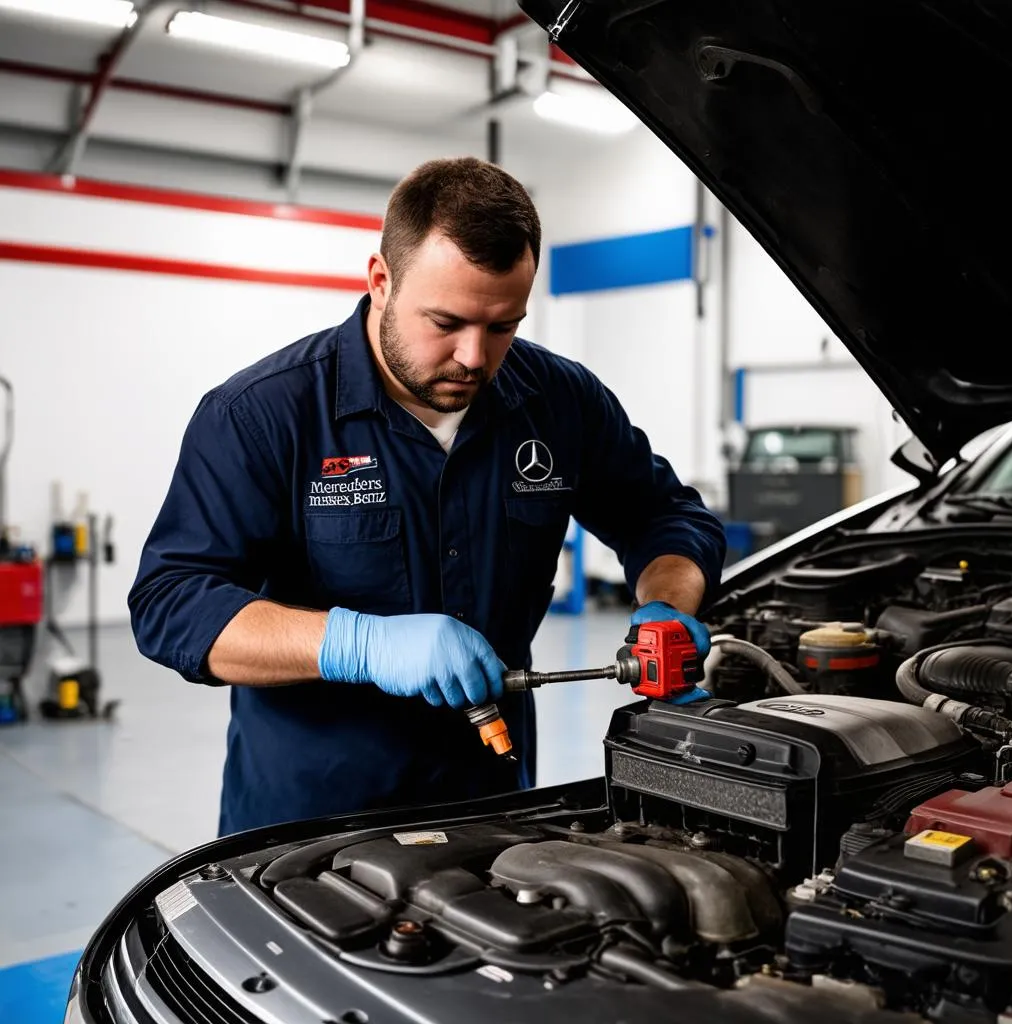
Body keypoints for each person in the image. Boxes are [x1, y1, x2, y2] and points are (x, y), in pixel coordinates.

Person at [129, 157, 726, 837]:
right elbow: (171, 603)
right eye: (446, 322)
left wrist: (667, 609)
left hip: (491, 802)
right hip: (309, 825)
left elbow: (664, 517)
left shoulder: (562, 403)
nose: (475, 356)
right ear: (380, 280)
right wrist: (357, 644)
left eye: (503, 327)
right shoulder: (262, 414)